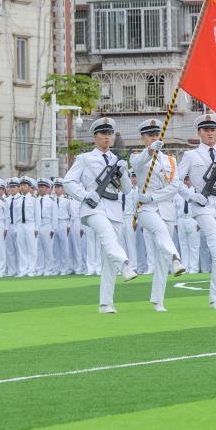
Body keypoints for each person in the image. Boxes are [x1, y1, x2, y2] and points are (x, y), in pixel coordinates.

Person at [62, 117, 139, 313]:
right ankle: (125, 264)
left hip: (114, 209)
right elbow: (68, 182)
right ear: (95, 136)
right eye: (104, 134)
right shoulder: (85, 159)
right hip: (93, 208)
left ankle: (106, 303)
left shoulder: (116, 160)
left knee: (108, 258)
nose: (107, 137)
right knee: (107, 236)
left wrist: (123, 172)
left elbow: (127, 190)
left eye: (110, 134)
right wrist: (85, 195)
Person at [175, 113, 216, 309]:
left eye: (213, 129)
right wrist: (191, 196)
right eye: (206, 130)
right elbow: (176, 181)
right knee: (214, 238)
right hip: (202, 204)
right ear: (199, 132)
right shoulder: (191, 155)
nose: (210, 133)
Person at [129, 118, 187, 311]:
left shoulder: (170, 160)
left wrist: (153, 196)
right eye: (150, 135)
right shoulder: (137, 157)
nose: (154, 138)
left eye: (156, 135)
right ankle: (176, 258)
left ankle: (158, 300)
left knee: (161, 258)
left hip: (165, 208)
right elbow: (137, 164)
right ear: (143, 138)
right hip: (146, 210)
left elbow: (174, 186)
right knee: (160, 230)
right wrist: (149, 151)